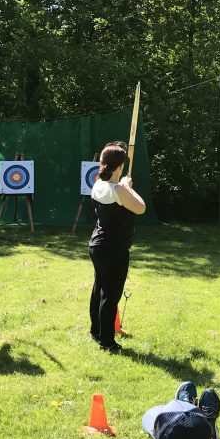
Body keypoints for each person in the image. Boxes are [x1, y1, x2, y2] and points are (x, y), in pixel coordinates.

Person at [88, 142, 146, 352]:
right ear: (120, 166)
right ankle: (107, 342)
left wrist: (124, 186)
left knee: (99, 289)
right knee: (110, 295)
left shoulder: (97, 184)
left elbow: (120, 193)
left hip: (98, 245)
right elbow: (141, 208)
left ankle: (96, 331)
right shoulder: (119, 190)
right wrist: (128, 187)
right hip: (114, 249)